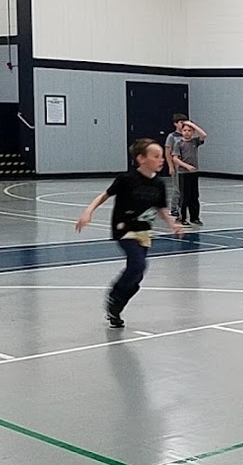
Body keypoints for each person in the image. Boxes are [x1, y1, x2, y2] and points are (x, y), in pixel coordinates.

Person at [75, 138, 184, 328]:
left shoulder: (158, 184)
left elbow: (161, 208)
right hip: (124, 229)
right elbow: (104, 195)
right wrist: (88, 211)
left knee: (138, 275)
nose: (161, 160)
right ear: (141, 158)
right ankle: (114, 296)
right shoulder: (126, 180)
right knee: (137, 264)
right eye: (156, 156)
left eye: (161, 156)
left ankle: (115, 309)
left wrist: (172, 224)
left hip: (143, 232)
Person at [172, 119, 207, 226]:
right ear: (182, 132)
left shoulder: (194, 142)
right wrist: (186, 166)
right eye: (185, 130)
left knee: (194, 196)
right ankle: (181, 218)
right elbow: (175, 158)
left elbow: (204, 135)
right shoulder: (179, 143)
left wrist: (192, 125)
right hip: (184, 173)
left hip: (194, 173)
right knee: (185, 197)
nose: (187, 132)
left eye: (189, 130)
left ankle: (194, 217)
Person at [163, 113, 186, 218]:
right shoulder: (172, 137)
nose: (183, 124)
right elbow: (168, 151)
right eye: (181, 122)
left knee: (185, 188)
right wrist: (171, 166)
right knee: (177, 188)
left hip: (186, 166)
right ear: (176, 124)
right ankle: (173, 208)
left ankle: (183, 207)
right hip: (177, 166)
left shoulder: (187, 135)